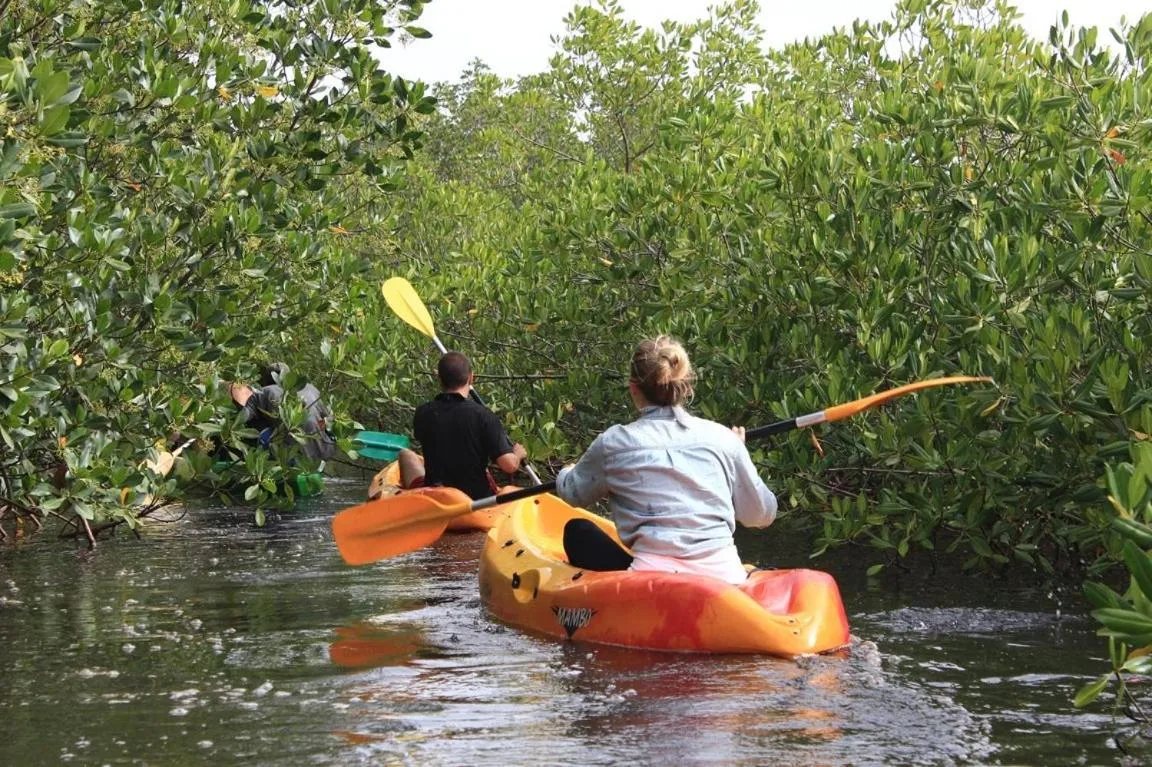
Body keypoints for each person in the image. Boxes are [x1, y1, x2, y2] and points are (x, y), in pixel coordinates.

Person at [555, 336, 777, 585]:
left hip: (653, 582)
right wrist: (738, 451)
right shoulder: (724, 439)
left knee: (577, 532)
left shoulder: (614, 443)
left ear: (633, 388)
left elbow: (571, 493)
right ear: (686, 386)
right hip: (726, 577)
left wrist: (567, 471)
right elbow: (761, 515)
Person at [398, 351, 527, 499]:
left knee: (405, 454)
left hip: (436, 497)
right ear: (471, 377)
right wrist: (518, 453)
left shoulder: (423, 412)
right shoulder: (484, 416)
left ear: (439, 379)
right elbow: (509, 466)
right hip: (476, 500)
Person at [260, 363, 336, 461]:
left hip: (291, 455)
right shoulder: (310, 388)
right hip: (322, 451)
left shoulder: (265, 392)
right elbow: (328, 418)